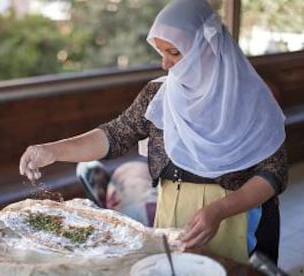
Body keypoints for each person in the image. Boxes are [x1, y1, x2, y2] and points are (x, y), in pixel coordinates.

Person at [19, 0, 288, 265]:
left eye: (174, 52)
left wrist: (219, 210)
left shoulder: (250, 100)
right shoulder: (159, 95)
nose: (165, 65)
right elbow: (114, 135)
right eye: (161, 53)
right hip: (173, 211)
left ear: (207, 48)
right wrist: (52, 150)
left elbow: (272, 172)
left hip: (237, 217)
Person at [76, 159, 157, 227]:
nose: (97, 177)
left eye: (96, 173)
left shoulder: (110, 203)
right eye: (92, 181)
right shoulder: (127, 167)